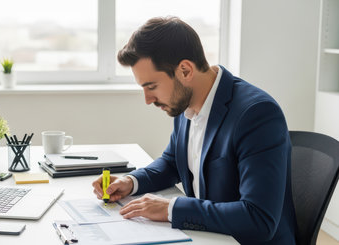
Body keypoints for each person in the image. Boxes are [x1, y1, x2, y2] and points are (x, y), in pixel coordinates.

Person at [92, 16, 297, 244]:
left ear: (185, 70)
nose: (148, 99)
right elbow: (172, 163)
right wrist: (131, 182)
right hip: (207, 237)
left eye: (152, 87)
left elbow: (258, 219)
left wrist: (172, 208)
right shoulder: (185, 104)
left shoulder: (256, 114)